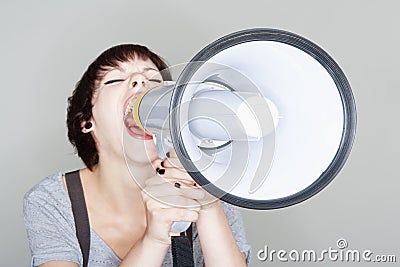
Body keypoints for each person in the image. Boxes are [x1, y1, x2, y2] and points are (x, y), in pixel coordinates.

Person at [23, 44, 251, 267]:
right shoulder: (52, 201)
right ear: (87, 121)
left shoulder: (206, 183)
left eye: (154, 81)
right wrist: (154, 241)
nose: (141, 82)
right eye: (115, 80)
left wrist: (209, 207)